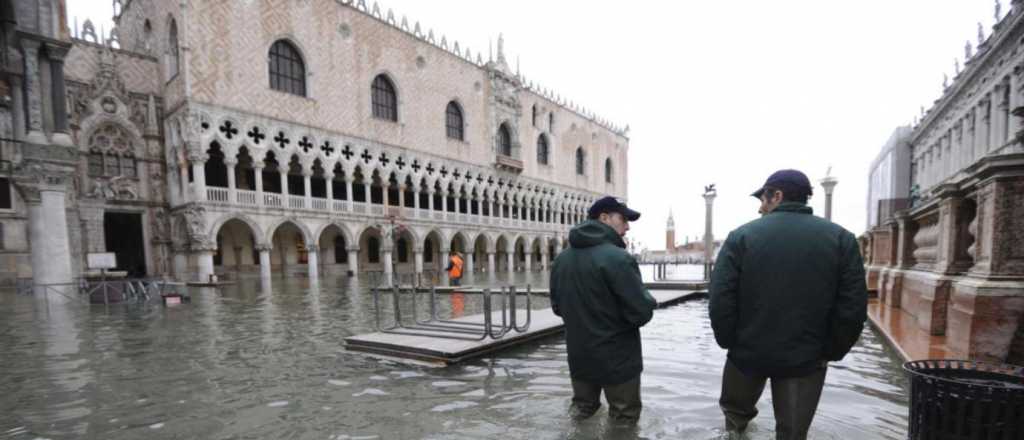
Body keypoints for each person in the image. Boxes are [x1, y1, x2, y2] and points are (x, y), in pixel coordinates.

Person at [709, 169, 868, 440]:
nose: (760, 208)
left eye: (763, 199)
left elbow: (721, 299)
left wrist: (730, 342)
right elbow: (852, 308)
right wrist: (830, 351)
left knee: (734, 425)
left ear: (777, 195)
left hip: (746, 354)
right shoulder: (842, 239)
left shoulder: (741, 237)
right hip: (806, 359)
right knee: (793, 433)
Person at [550, 196, 657, 425]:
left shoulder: (561, 260)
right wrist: (648, 302)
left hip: (579, 355)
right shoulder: (618, 258)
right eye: (624, 219)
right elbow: (641, 312)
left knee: (581, 411)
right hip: (617, 358)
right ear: (604, 217)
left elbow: (558, 307)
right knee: (623, 418)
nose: (627, 226)